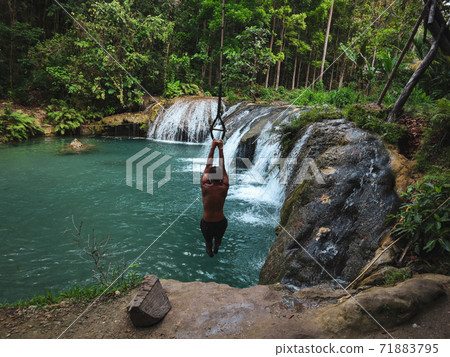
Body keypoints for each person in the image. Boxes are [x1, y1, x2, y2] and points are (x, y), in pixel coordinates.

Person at [200, 139, 229, 257]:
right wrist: (221, 148)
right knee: (218, 239)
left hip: (207, 222)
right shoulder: (225, 187)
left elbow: (208, 165)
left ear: (210, 177)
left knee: (208, 241)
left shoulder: (205, 186)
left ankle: (209, 248)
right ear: (221, 176)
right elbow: (223, 166)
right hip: (221, 222)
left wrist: (212, 147)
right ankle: (216, 247)